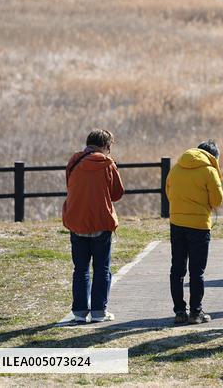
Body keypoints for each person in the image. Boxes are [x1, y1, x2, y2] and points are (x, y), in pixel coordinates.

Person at [62, 129, 125, 324]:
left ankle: (80, 313)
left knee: (80, 269)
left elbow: (70, 187)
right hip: (100, 222)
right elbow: (117, 194)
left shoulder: (73, 162)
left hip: (77, 221)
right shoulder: (108, 164)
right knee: (102, 268)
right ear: (106, 146)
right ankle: (99, 312)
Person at [166, 140, 223, 325]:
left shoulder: (176, 168)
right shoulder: (209, 170)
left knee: (177, 270)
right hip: (199, 225)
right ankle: (196, 312)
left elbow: (169, 192)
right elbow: (217, 200)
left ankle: (179, 312)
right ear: (213, 155)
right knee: (196, 271)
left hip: (177, 223)